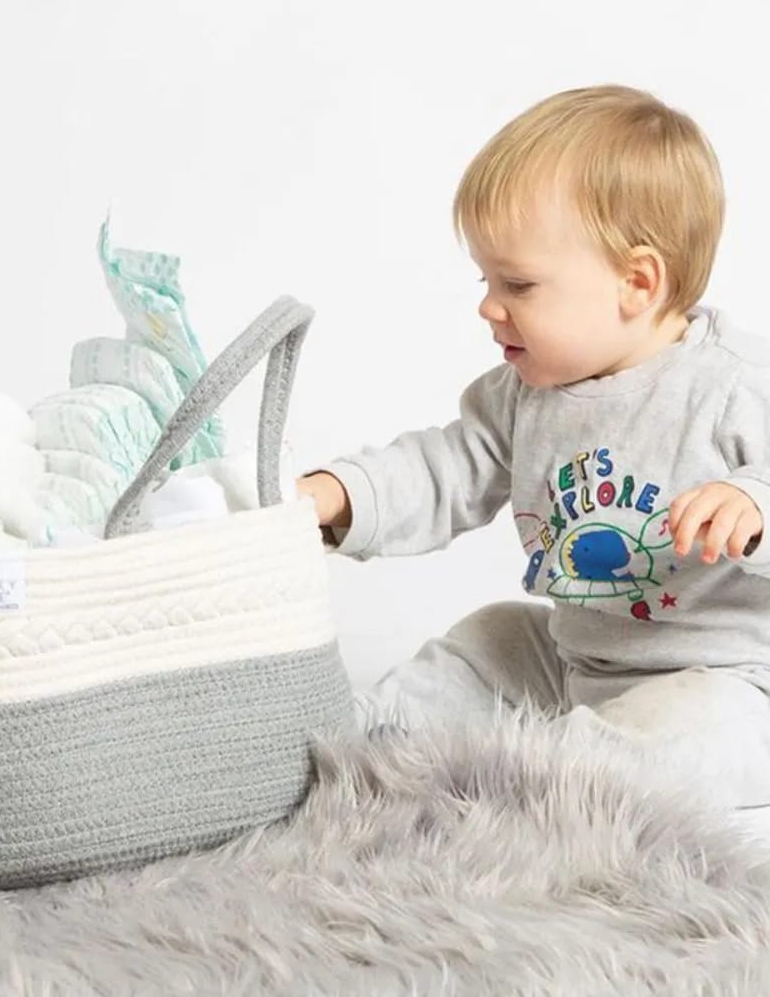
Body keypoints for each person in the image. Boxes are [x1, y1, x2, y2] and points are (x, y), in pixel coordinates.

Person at [298, 85, 770, 830]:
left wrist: (755, 505)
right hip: (575, 661)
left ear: (637, 283)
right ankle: (355, 748)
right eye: (486, 280)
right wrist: (340, 496)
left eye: (517, 284)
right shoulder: (525, 395)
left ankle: (550, 788)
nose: (489, 305)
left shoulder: (732, 388)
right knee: (491, 638)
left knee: (681, 736)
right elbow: (445, 466)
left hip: (728, 682)